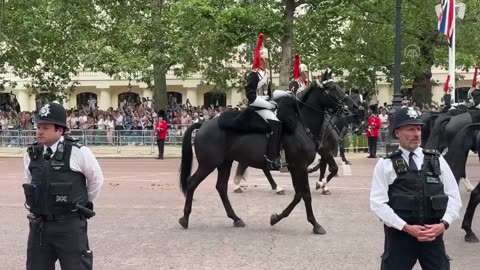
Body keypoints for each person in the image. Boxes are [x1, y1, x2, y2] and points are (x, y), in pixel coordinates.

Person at [370, 106, 462, 270]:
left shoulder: (436, 160)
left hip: (433, 236)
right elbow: (378, 203)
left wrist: (444, 224)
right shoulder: (386, 164)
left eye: (418, 129)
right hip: (400, 238)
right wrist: (405, 227)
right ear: (397, 132)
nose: (417, 134)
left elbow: (453, 196)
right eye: (410, 129)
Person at [22, 101, 104, 270]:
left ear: (60, 130)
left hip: (69, 226)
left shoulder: (78, 152)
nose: (39, 131)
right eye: (38, 126)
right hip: (39, 227)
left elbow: (96, 180)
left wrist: (81, 203)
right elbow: (29, 181)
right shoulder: (31, 154)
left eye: (45, 127)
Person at [245, 33, 282, 170]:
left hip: (267, 106)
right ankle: (271, 158)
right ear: (260, 60)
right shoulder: (253, 75)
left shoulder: (265, 75)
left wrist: (275, 102)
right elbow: (251, 97)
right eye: (266, 60)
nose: (267, 63)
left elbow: (270, 93)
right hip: (257, 107)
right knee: (277, 125)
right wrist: (268, 104)